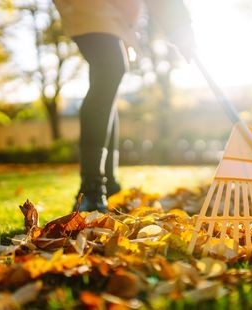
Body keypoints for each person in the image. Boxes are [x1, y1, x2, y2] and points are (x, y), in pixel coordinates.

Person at [53, 0, 196, 212]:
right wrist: (181, 28)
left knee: (108, 77)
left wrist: (182, 28)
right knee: (111, 66)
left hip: (116, 11)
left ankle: (109, 185)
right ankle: (92, 187)